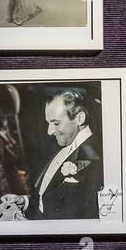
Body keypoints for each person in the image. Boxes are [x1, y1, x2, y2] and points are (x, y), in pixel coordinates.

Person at [32, 88, 104, 220]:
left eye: (56, 123)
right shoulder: (61, 143)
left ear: (80, 118)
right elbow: (49, 193)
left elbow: (87, 215)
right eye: (48, 123)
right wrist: (25, 201)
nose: (49, 131)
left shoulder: (95, 157)